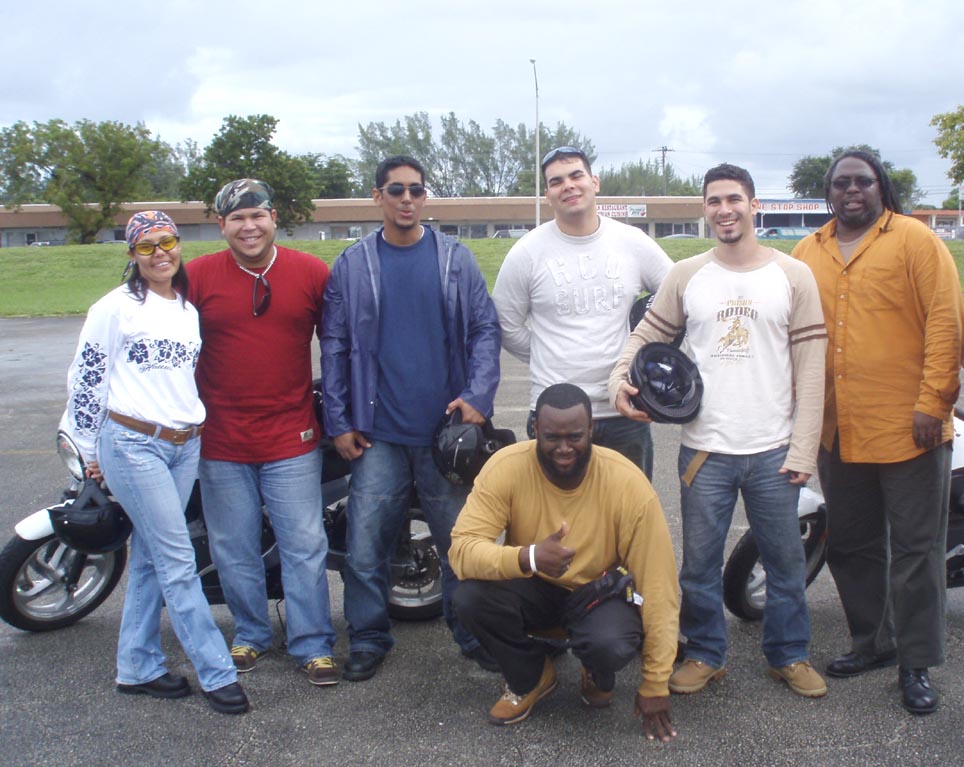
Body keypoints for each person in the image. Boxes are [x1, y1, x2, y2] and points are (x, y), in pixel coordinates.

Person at [609, 163, 829, 699]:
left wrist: (804, 446)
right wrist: (619, 378)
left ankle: (789, 654)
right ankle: (706, 653)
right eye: (714, 201)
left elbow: (811, 368)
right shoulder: (687, 276)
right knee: (699, 567)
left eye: (733, 199)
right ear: (704, 209)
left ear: (754, 205)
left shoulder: (793, 275)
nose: (724, 210)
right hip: (704, 452)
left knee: (785, 564)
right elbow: (645, 335)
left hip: (774, 450)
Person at [791, 150, 964, 715]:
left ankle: (916, 663)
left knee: (916, 550)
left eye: (862, 182)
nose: (851, 191)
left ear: (880, 187)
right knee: (851, 544)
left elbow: (947, 322)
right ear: (827, 192)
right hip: (837, 427)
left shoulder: (915, 240)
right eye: (840, 183)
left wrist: (934, 402)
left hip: (909, 426)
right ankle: (874, 643)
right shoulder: (807, 251)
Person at [320, 155, 502, 681]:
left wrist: (478, 396)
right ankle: (368, 638)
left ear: (425, 197)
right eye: (396, 190)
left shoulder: (455, 259)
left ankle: (472, 634)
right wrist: (340, 421)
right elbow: (334, 345)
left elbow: (484, 330)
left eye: (416, 190)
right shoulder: (353, 264)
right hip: (378, 435)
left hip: (446, 436)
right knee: (365, 547)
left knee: (461, 544)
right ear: (377, 196)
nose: (407, 199)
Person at [62, 211, 247, 715]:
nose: (160, 253)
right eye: (147, 247)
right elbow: (87, 378)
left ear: (178, 244)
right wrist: (88, 450)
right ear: (132, 254)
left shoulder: (186, 310)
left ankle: (137, 666)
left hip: (184, 444)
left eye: (167, 242)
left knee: (149, 556)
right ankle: (217, 672)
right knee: (178, 559)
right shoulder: (114, 308)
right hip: (132, 443)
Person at [448, 383, 680, 740]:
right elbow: (461, 550)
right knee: (469, 597)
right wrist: (530, 556)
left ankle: (596, 669)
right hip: (535, 585)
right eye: (552, 437)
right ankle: (531, 676)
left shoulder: (627, 484)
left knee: (610, 643)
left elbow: (659, 585)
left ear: (591, 430)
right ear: (535, 429)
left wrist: (655, 683)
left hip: (598, 594)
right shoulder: (506, 468)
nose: (564, 448)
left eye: (575, 436)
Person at [187, 179, 340, 687]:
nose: (248, 226)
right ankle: (250, 632)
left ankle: (312, 643)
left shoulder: (311, 272)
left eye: (257, 215)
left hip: (291, 437)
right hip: (221, 441)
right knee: (233, 547)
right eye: (237, 218)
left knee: (304, 544)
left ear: (274, 218)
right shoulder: (196, 277)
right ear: (221, 225)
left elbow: (340, 346)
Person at [492, 147, 672, 478]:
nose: (568, 186)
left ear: (595, 182)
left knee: (628, 507)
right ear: (548, 195)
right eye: (556, 181)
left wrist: (643, 353)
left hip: (623, 407)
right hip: (554, 412)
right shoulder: (527, 252)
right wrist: (547, 355)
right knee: (555, 509)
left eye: (576, 175)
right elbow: (505, 324)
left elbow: (676, 294)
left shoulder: (632, 242)